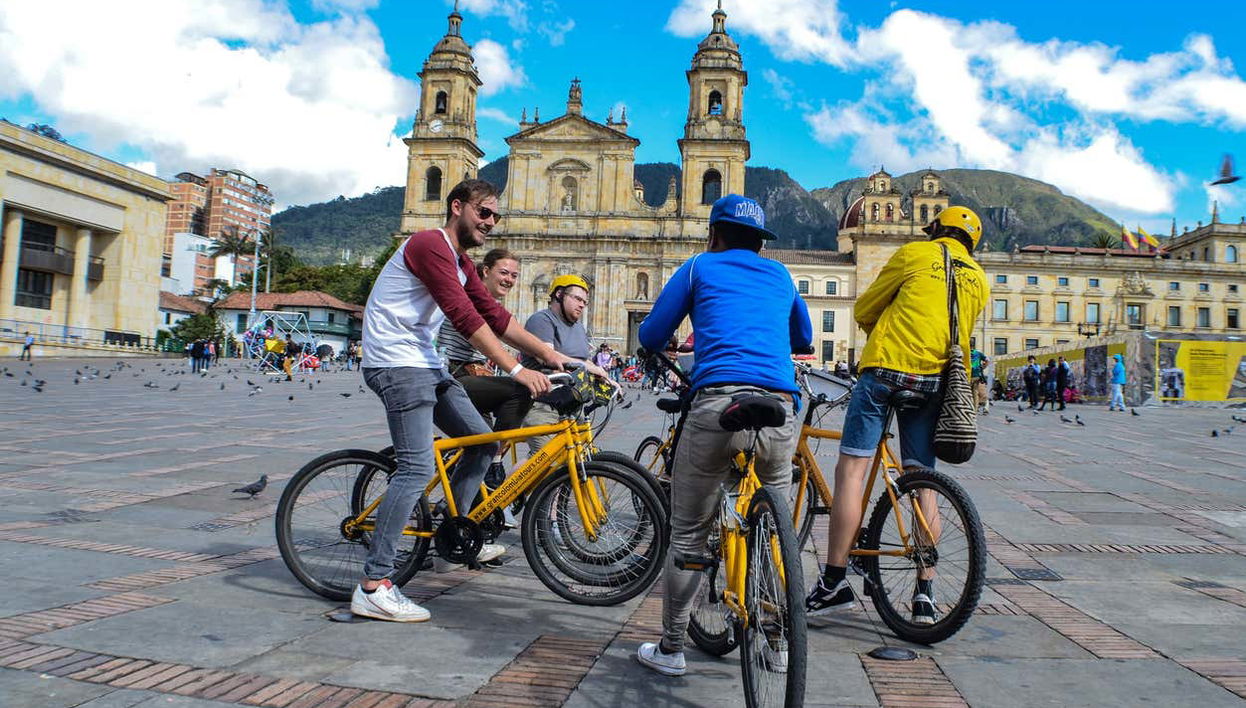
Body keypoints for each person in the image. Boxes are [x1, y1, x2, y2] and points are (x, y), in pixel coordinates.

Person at [352, 178, 573, 623]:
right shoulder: (428, 244)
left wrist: (553, 355)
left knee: (485, 444)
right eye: (483, 212)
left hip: (424, 364)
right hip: (395, 363)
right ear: (458, 207)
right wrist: (516, 369)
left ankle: (449, 541)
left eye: (495, 215)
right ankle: (374, 584)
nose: (490, 222)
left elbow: (496, 315)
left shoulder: (461, 262)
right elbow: (463, 315)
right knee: (417, 467)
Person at [634, 194, 812, 677]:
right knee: (775, 530)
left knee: (689, 532)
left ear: (713, 235)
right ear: (759, 242)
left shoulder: (697, 268)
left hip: (717, 403)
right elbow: (804, 338)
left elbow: (650, 337)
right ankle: (777, 643)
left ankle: (672, 649)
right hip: (778, 407)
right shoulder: (779, 275)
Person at [805, 205, 988, 627]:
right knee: (923, 480)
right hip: (935, 382)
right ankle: (925, 591)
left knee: (852, 472)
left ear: (935, 230)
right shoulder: (978, 277)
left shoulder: (912, 255)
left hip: (885, 371)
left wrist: (885, 330)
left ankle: (833, 581)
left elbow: (865, 307)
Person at [518, 274, 612, 455]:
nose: (582, 304)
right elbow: (546, 356)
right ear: (559, 295)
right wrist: (591, 367)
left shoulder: (578, 328)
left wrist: (607, 380)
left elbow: (582, 360)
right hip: (543, 405)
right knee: (550, 467)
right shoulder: (541, 320)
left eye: (585, 301)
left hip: (572, 405)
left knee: (581, 461)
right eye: (577, 298)